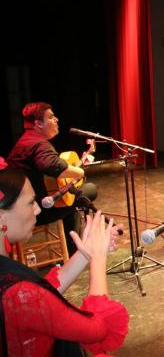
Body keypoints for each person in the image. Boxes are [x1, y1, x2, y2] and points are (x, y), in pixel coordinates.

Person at [0, 160, 128, 356]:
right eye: (30, 202)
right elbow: (97, 329)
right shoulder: (17, 292)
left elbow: (40, 292)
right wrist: (98, 259)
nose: (37, 209)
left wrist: (85, 253)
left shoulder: (13, 281)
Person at [7, 102, 94, 256]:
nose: (57, 120)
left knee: (71, 197)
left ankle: (74, 249)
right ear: (38, 124)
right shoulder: (38, 144)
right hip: (36, 210)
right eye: (51, 117)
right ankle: (77, 250)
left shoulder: (27, 140)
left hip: (18, 209)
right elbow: (53, 166)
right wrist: (79, 171)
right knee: (88, 191)